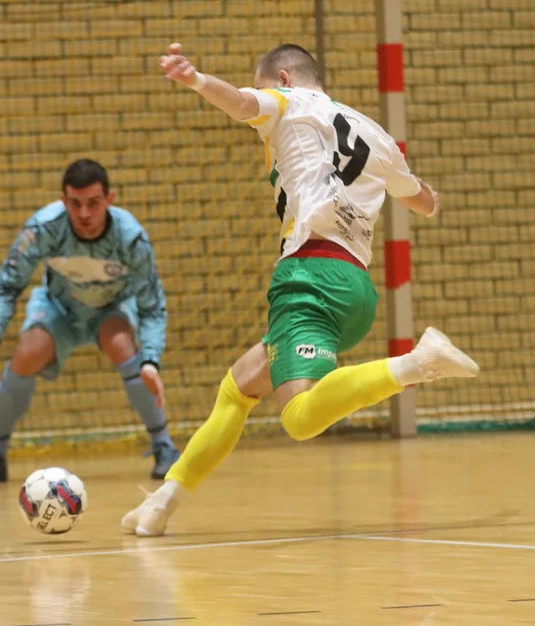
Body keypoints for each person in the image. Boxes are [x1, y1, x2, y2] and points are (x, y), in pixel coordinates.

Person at [122, 43, 480, 536]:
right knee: (238, 387)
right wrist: (431, 198)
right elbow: (421, 202)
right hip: (354, 288)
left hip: (309, 276)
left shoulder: (289, 103)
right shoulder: (374, 132)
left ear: (284, 79)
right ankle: (162, 502)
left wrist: (197, 80)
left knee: (299, 417)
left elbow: (245, 104)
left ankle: (415, 363)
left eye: (264, 84)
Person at [0, 159, 179, 483]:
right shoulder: (43, 228)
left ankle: (164, 446)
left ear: (110, 199)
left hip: (112, 307)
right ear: (63, 200)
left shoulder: (131, 239)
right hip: (58, 307)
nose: (84, 214)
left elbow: (152, 306)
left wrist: (151, 360)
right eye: (75, 204)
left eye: (93, 203)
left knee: (121, 346)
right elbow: (8, 283)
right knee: (27, 355)